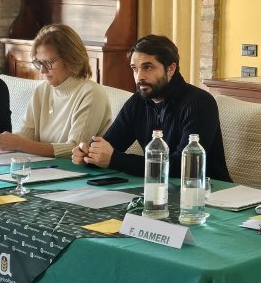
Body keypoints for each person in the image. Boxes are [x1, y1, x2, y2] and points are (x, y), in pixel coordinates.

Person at [71, 34, 231, 181]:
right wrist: (88, 155)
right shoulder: (137, 103)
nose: (139, 76)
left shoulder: (200, 103)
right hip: (157, 188)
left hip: (209, 192)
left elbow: (182, 167)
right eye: (135, 69)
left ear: (171, 69)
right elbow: (108, 147)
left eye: (148, 67)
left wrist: (115, 159)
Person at [0, 24, 112, 157]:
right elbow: (24, 136)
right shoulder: (42, 90)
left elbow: (75, 149)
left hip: (73, 170)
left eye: (48, 63)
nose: (42, 70)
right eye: (39, 63)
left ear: (71, 59)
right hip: (44, 167)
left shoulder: (91, 93)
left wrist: (19, 144)